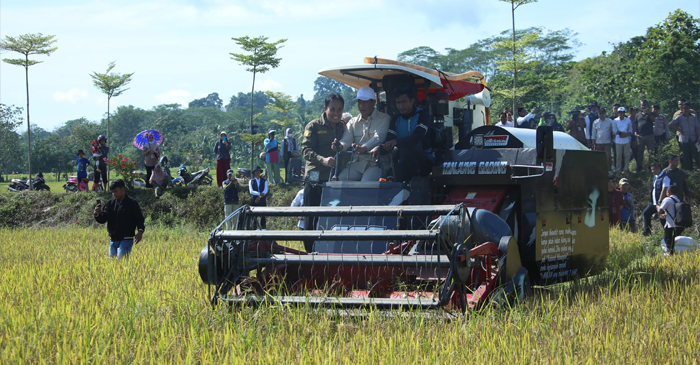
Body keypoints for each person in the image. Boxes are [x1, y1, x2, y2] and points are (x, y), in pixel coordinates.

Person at [375, 86, 434, 183]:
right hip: (404, 162)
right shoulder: (395, 119)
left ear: (412, 101)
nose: (401, 106)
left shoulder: (423, 116)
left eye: (404, 102)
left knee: (408, 148)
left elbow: (416, 137)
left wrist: (396, 142)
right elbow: (389, 141)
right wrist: (380, 148)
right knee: (389, 179)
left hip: (425, 161)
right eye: (398, 103)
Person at [335, 86, 391, 181]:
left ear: (373, 102)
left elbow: (379, 137)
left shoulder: (384, 118)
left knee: (365, 185)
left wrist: (364, 147)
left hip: (376, 163)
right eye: (359, 102)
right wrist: (339, 146)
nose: (361, 105)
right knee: (341, 180)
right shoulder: (352, 122)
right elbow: (346, 140)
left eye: (365, 102)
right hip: (357, 163)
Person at [93, 179, 145, 258]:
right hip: (113, 240)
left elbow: (139, 219)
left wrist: (140, 231)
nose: (114, 194)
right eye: (112, 192)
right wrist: (97, 214)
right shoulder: (110, 203)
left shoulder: (132, 203)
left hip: (126, 239)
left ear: (122, 189)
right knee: (112, 265)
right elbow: (103, 219)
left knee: (121, 263)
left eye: (115, 191)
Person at [670, 102, 700, 171]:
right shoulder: (680, 117)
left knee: (696, 154)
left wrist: (699, 138)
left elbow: (697, 128)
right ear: (682, 109)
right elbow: (670, 124)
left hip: (693, 138)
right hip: (684, 139)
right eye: (684, 108)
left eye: (687, 108)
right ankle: (688, 169)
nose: (686, 109)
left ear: (689, 108)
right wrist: (679, 129)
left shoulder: (693, 116)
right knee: (686, 155)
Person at [642, 162, 670, 236]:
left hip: (661, 203)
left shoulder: (665, 177)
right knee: (646, 212)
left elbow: (664, 190)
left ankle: (668, 233)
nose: (652, 171)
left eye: (654, 169)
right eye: (651, 170)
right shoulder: (655, 177)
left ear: (659, 168)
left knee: (662, 218)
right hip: (654, 203)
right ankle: (647, 230)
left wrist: (660, 202)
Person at [658, 185, 685, 254]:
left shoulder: (667, 199)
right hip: (679, 225)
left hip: (671, 225)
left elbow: (660, 210)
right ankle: (672, 256)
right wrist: (665, 215)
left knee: (668, 243)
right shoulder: (678, 200)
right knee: (671, 242)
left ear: (668, 193)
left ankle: (670, 257)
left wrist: (657, 205)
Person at [634, 100, 656, 173]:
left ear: (647, 105)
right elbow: (635, 124)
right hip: (641, 136)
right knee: (640, 152)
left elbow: (654, 120)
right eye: (642, 105)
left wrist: (649, 113)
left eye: (645, 105)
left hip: (650, 135)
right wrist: (635, 133)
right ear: (640, 106)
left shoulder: (651, 113)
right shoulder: (637, 115)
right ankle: (639, 167)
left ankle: (651, 168)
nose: (644, 106)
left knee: (651, 152)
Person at [613, 107, 633, 174]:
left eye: (622, 112)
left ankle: (625, 169)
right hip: (618, 140)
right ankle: (618, 169)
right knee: (618, 156)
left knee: (627, 155)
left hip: (626, 140)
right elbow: (614, 130)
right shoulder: (615, 120)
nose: (621, 113)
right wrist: (621, 133)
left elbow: (630, 130)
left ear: (624, 113)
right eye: (619, 112)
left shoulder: (628, 120)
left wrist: (626, 134)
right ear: (618, 113)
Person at [249, 165, 267, 230]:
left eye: (258, 171)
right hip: (254, 200)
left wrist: (259, 197)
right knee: (254, 216)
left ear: (260, 172)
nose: (257, 172)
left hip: (262, 200)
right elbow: (251, 191)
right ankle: (254, 229)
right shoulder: (251, 181)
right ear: (254, 172)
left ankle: (263, 229)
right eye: (256, 171)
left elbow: (265, 190)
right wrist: (259, 194)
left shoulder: (264, 180)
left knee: (263, 216)